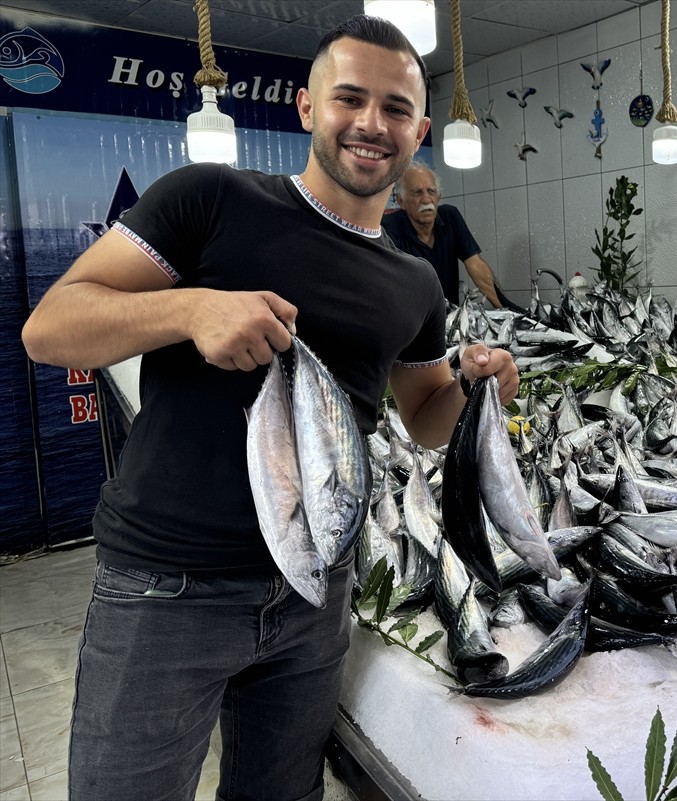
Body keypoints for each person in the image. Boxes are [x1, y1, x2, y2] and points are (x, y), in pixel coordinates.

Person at [21, 15, 517, 801]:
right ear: (305, 108)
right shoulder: (212, 198)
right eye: (349, 98)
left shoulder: (412, 282)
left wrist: (477, 384)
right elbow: (50, 327)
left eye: (395, 109)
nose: (370, 123)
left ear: (420, 130)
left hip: (315, 587)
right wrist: (190, 312)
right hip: (166, 587)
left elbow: (425, 413)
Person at [383, 162, 522, 310]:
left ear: (439, 197)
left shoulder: (450, 217)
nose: (426, 200)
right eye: (417, 192)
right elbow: (388, 286)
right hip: (412, 322)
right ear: (401, 201)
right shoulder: (389, 228)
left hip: (450, 319)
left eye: (431, 191)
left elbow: (475, 265)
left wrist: (505, 309)